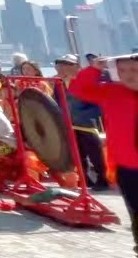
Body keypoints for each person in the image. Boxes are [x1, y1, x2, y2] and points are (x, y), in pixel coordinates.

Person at [70, 53, 138, 255]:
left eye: (133, 70)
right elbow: (78, 90)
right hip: (127, 167)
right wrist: (95, 69)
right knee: (136, 210)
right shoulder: (113, 92)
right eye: (122, 70)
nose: (128, 75)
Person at [55, 55, 109, 190]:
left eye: (68, 64)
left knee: (95, 153)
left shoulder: (86, 79)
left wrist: (88, 115)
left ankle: (102, 180)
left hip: (88, 123)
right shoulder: (59, 83)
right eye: (62, 64)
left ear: (76, 66)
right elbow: (57, 102)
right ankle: (85, 180)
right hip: (70, 124)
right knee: (78, 154)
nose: (64, 67)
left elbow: (98, 100)